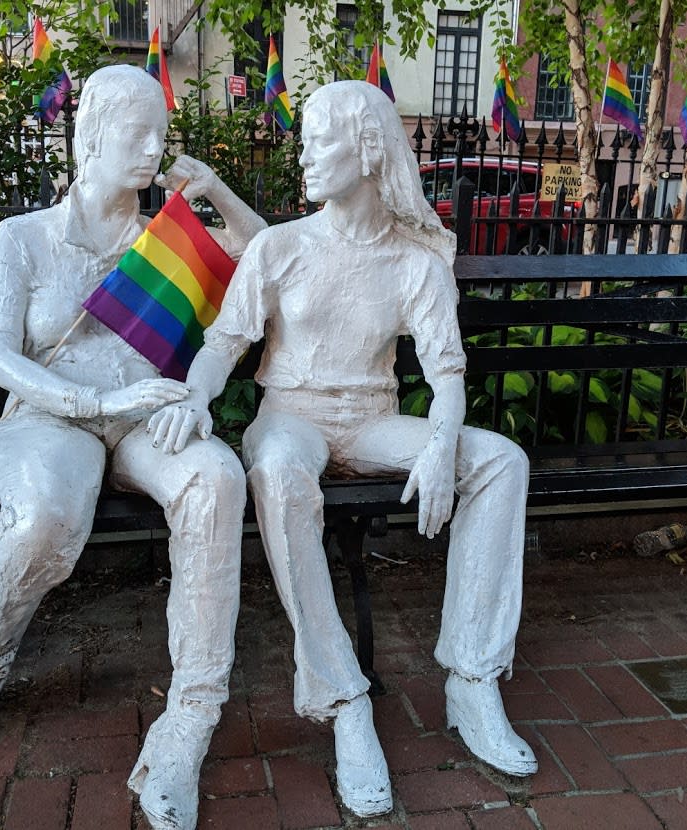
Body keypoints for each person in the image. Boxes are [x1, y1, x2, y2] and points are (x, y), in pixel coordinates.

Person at [149, 80, 536, 816]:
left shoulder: (414, 263)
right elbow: (224, 343)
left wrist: (440, 444)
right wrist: (194, 396)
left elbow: (446, 375)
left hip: (371, 418)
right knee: (277, 470)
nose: (303, 158)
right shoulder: (280, 246)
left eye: (316, 142)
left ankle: (471, 680)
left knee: (499, 461)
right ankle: (343, 700)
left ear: (365, 151)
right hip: (288, 415)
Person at [0, 65, 266, 830]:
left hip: (146, 417)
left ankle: (188, 720)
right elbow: (0, 359)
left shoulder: (167, 239)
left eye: (161, 134)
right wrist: (93, 400)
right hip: (49, 418)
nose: (152, 149)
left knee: (214, 476)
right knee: (45, 514)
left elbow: (268, 261)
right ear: (89, 138)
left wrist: (211, 191)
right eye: (136, 133)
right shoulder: (26, 239)